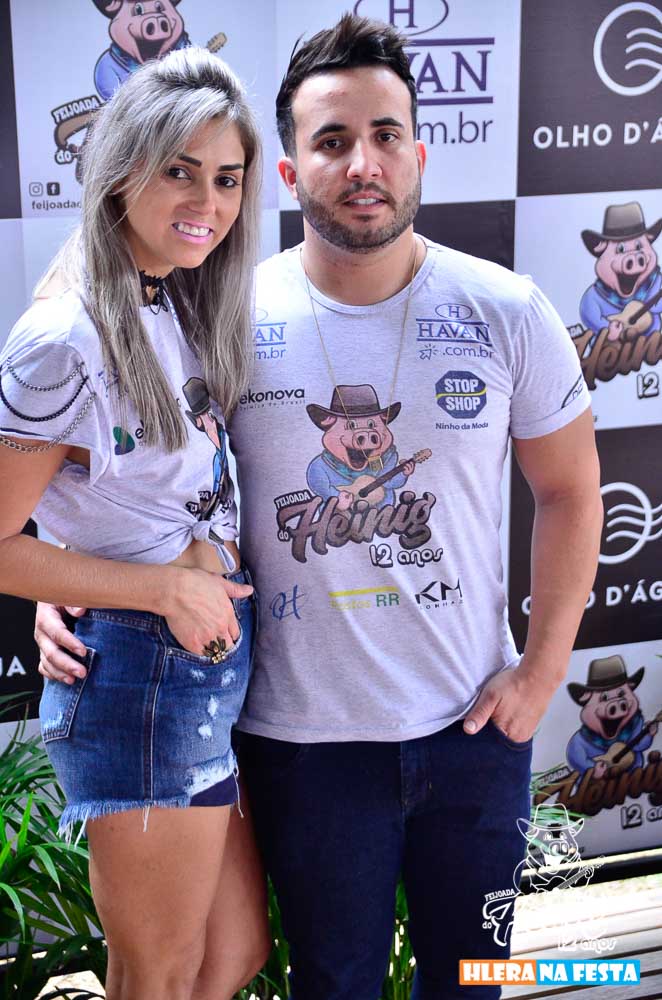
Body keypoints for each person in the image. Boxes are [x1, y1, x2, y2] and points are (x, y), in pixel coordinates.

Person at [35, 14, 604, 1000]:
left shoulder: (506, 309)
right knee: (333, 984)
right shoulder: (217, 317)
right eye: (332, 141)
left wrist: (543, 670)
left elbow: (570, 492)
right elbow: (130, 479)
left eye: (385, 135)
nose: (363, 163)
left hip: (472, 731)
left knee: (473, 979)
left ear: (419, 154)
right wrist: (71, 585)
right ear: (291, 173)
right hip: (298, 744)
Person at [0, 47, 269, 1000]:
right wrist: (159, 588)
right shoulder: (64, 338)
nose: (208, 201)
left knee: (231, 956)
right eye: (179, 171)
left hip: (197, 668)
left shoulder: (172, 293)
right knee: (157, 976)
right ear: (121, 171)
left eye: (227, 177)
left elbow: (95, 502)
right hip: (141, 676)